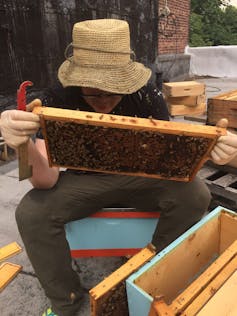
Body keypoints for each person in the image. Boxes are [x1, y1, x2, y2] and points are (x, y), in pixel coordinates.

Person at [1, 19, 237, 316]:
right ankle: (67, 303)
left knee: (196, 194)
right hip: (81, 182)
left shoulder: (146, 95)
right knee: (31, 212)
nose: (104, 101)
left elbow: (171, 162)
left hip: (141, 177)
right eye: (94, 92)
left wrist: (208, 151)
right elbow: (45, 180)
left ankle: (153, 271)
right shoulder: (58, 97)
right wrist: (23, 144)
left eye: (114, 91)